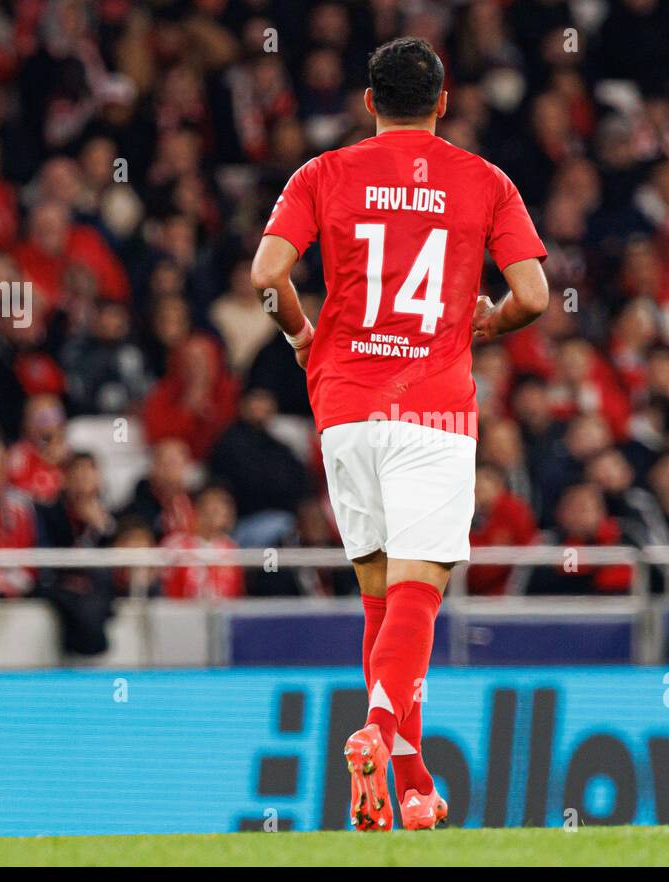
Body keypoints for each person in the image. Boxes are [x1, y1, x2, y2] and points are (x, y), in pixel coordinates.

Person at [250, 37, 548, 831]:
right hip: (435, 409)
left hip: (345, 404)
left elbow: (265, 276)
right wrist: (491, 324)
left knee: (381, 601)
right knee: (419, 594)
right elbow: (534, 294)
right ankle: (379, 736)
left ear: (368, 102)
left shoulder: (322, 174)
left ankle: (411, 788)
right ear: (444, 103)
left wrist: (301, 336)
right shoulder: (486, 181)